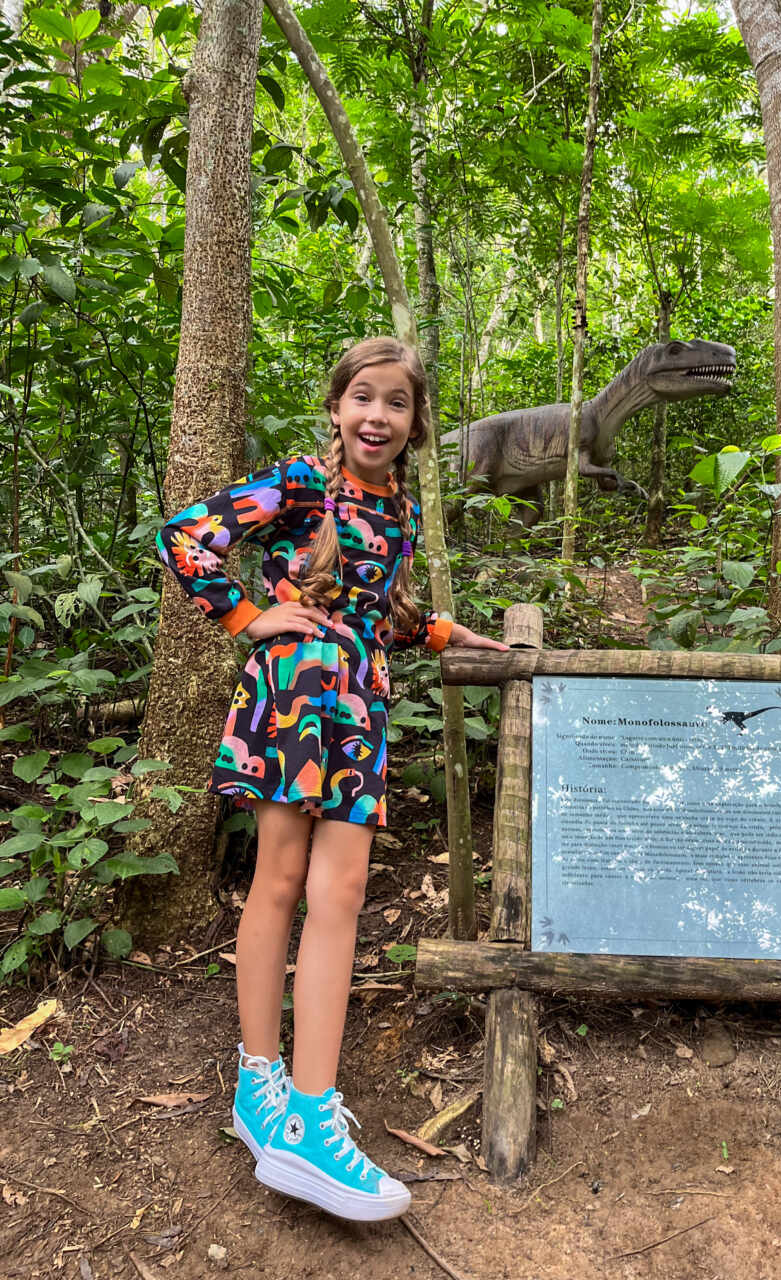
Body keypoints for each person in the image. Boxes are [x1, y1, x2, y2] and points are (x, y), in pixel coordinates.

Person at [156, 337, 506, 1222]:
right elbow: (185, 535)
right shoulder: (303, 483)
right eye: (362, 397)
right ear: (338, 407)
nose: (377, 416)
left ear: (416, 423)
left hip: (359, 704)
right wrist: (247, 614)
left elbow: (379, 610)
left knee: (339, 892)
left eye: (396, 403)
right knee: (278, 882)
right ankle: (266, 1089)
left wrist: (443, 632)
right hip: (294, 693)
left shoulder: (403, 508)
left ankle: (306, 1112)